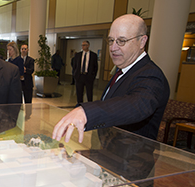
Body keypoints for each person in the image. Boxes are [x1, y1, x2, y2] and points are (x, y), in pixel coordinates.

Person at [52, 14, 170, 144]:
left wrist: (87, 112)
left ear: (142, 41)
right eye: (111, 41)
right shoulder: (122, 70)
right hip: (108, 155)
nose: (113, 48)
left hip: (131, 161)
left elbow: (135, 104)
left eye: (122, 41)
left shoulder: (150, 74)